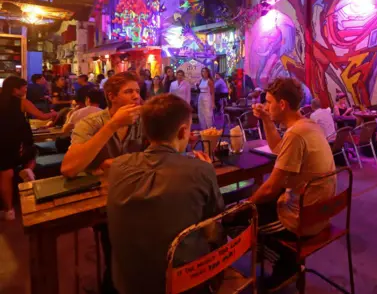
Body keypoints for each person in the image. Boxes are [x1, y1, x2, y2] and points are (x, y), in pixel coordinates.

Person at [107, 94, 225, 294]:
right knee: (219, 231)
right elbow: (213, 224)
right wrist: (205, 170)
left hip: (127, 282)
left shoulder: (118, 166)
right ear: (182, 132)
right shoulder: (200, 170)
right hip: (181, 282)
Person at [62, 71, 145, 293]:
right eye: (129, 92)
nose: (136, 96)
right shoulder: (91, 122)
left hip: (136, 195)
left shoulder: (142, 120)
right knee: (116, 252)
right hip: (102, 202)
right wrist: (112, 126)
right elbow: (69, 168)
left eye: (137, 91)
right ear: (111, 96)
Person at [250, 78, 336, 290]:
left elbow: (271, 188)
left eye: (269, 102)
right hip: (321, 212)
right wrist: (266, 120)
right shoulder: (307, 125)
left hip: (302, 221)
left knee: (244, 219)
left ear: (282, 105)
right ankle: (285, 262)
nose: (266, 106)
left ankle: (285, 263)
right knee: (258, 203)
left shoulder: (296, 134)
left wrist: (244, 205)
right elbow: (278, 148)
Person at [0, 77, 56, 221]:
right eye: (23, 87)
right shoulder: (22, 102)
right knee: (31, 156)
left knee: (6, 174)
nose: (26, 90)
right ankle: (28, 170)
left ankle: (8, 210)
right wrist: (52, 114)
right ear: (15, 90)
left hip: (2, 142)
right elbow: (42, 116)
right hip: (20, 142)